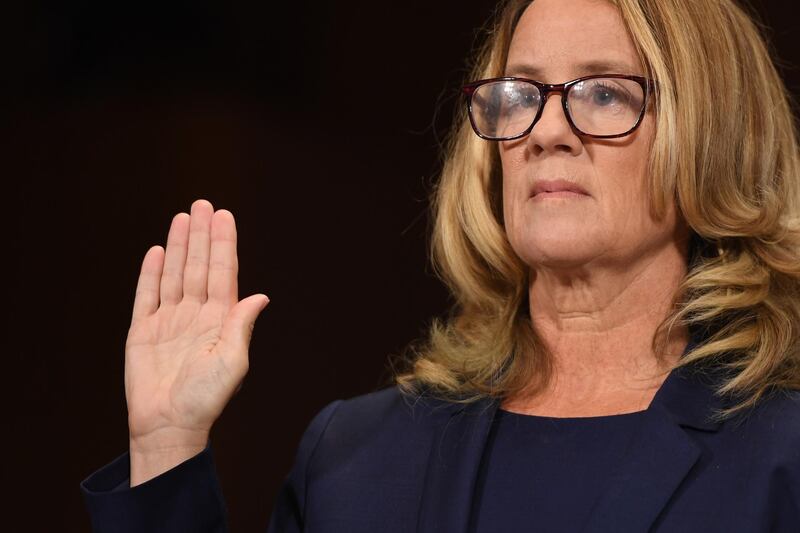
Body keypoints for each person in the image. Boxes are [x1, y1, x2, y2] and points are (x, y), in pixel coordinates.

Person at [81, 0, 800, 531]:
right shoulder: (355, 455)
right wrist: (167, 443)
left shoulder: (780, 452)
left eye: (603, 92)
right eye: (520, 95)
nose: (546, 131)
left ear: (710, 131)